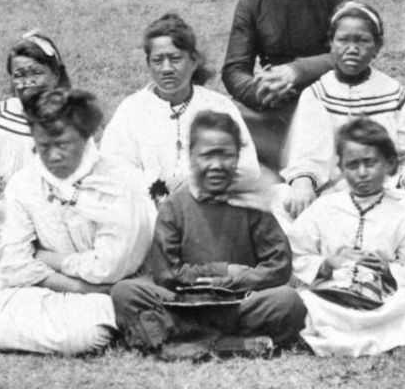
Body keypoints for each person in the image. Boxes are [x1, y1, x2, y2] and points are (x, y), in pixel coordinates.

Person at [0, 88, 153, 355]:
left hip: (111, 291)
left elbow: (109, 269)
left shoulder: (119, 182)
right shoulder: (24, 183)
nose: (53, 156)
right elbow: (15, 263)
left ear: (85, 137)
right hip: (54, 286)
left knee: (83, 335)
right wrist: (75, 285)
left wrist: (44, 257)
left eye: (63, 144)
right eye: (44, 146)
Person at [111, 111, 307, 360]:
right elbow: (165, 273)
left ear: (237, 157)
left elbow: (279, 266)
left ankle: (186, 345)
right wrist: (223, 272)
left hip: (238, 302)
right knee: (125, 292)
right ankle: (232, 344)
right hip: (183, 303)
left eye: (225, 155)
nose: (216, 165)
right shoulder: (175, 205)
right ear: (191, 157)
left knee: (289, 302)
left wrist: (232, 284)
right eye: (206, 155)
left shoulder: (252, 201)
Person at [278, 1, 405, 223]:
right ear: (331, 44)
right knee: (281, 201)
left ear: (377, 47)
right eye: (343, 40)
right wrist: (303, 182)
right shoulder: (318, 94)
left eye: (363, 41)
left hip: (385, 192)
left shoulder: (392, 93)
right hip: (332, 192)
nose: (352, 48)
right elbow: (307, 151)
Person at [288, 117, 405, 356]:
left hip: (384, 297)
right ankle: (369, 339)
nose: (362, 173)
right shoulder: (325, 207)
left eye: (370, 163)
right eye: (353, 165)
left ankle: (390, 338)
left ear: (389, 163)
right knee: (306, 302)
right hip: (332, 293)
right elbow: (298, 250)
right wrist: (326, 264)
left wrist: (388, 270)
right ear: (341, 167)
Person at [222, 0, 352, 170]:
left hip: (327, 98)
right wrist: (261, 91)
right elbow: (234, 69)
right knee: (222, 121)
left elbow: (348, 52)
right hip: (273, 107)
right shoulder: (252, 1)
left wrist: (296, 71)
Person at [99, 13, 264, 208]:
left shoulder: (218, 107)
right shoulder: (131, 110)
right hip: (149, 210)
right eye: (158, 60)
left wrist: (200, 188)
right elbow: (112, 169)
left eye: (175, 58)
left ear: (194, 61)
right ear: (148, 64)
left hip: (211, 207)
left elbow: (247, 168)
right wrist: (155, 190)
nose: (166, 68)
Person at [0, 32, 71, 256]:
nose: (27, 82)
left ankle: (33, 247)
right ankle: (35, 249)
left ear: (55, 75)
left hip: (51, 218)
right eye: (19, 75)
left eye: (37, 72)